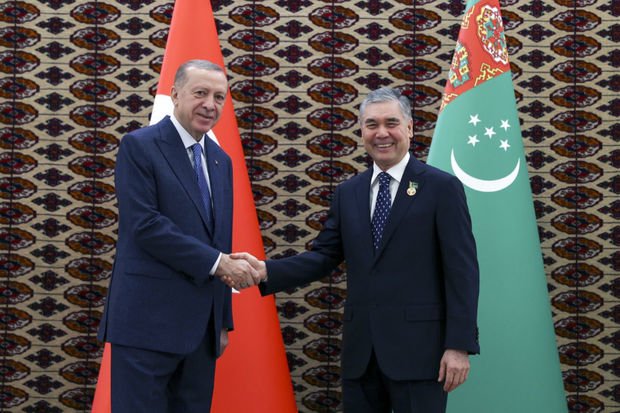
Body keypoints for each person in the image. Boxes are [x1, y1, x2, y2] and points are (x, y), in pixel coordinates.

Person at [232, 87, 480, 413]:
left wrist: (458, 345)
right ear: (361, 131)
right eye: (371, 124)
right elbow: (324, 256)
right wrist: (267, 270)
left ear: (409, 128)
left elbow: (461, 270)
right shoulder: (348, 192)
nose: (381, 133)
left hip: (421, 355)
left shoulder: (441, 188)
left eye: (391, 123)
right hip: (362, 355)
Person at [97, 59, 260, 413]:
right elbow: (146, 225)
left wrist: (222, 320)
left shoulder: (221, 160)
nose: (210, 105)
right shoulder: (139, 146)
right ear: (174, 94)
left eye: (219, 97)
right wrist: (219, 264)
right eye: (200, 93)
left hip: (201, 333)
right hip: (146, 326)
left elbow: (220, 239)